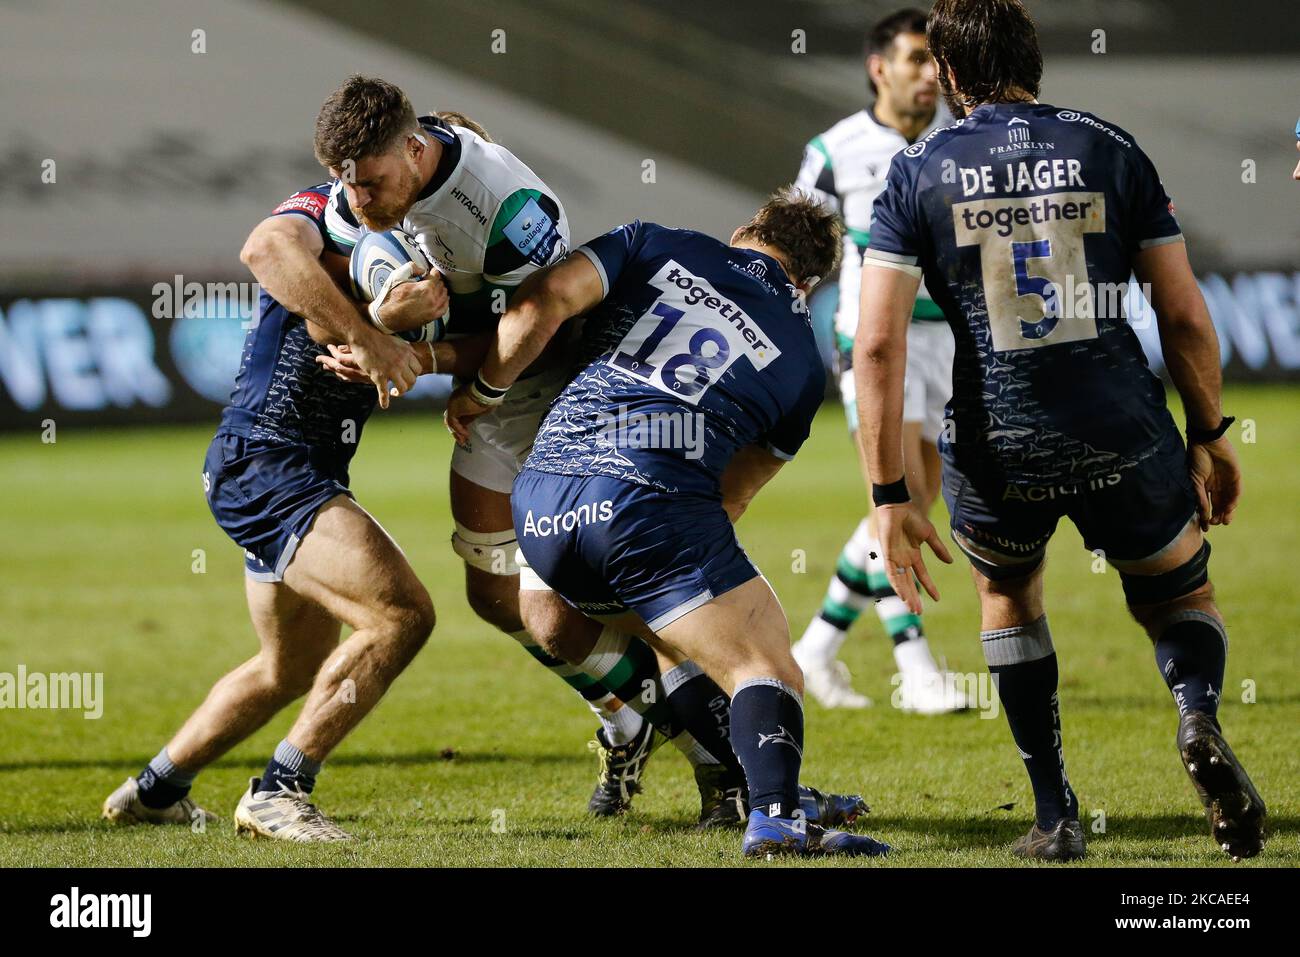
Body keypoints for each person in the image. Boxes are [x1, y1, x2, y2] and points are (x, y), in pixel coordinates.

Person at [854, 0, 1266, 861]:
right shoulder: (1109, 147)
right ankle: (1196, 716)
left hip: (996, 443)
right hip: (1121, 424)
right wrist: (1211, 430)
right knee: (1177, 595)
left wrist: (890, 495)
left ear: (953, 75)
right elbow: (1185, 314)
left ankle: (1056, 812)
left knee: (1009, 596)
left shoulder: (915, 172)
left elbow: (880, 343)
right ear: (1033, 62)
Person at [444, 189, 893, 858]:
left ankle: (760, 787)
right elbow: (730, 496)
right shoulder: (800, 356)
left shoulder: (654, 240)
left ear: (745, 232)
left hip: (540, 497)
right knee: (763, 660)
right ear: (807, 283)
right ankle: (776, 818)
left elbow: (548, 299)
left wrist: (483, 389)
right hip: (643, 503)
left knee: (670, 638)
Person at [103, 177, 458, 840]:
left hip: (288, 468)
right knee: (400, 615)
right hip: (267, 463)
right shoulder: (328, 214)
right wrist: (379, 325)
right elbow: (273, 257)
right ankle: (280, 791)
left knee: (289, 665)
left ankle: (154, 792)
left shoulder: (409, 246)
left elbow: (361, 333)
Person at [791, 8, 966, 712]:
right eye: (917, 59)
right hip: (871, 340)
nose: (931, 75)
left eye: (937, 62)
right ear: (879, 68)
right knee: (896, 497)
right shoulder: (836, 149)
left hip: (946, 340)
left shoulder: (964, 139)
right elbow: (796, 238)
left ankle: (815, 650)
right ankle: (915, 666)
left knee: (912, 500)